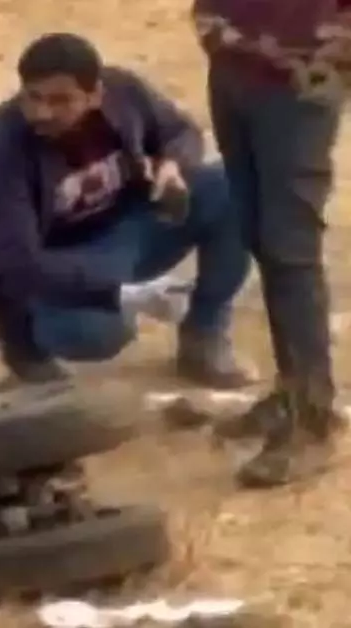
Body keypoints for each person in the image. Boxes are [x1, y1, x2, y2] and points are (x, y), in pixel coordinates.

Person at [0, 34, 256, 390]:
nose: (41, 113)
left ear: (95, 95)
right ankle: (28, 355)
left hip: (128, 229)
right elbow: (16, 264)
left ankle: (204, 335)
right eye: (33, 97)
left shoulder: (124, 93)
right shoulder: (0, 146)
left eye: (60, 100)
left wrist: (173, 165)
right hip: (60, 263)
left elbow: (180, 132)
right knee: (98, 333)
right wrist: (122, 292)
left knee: (234, 187)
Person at [193, 1, 347, 487]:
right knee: (259, 232)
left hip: (300, 74)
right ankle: (293, 391)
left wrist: (337, 54)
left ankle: (312, 419)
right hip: (236, 60)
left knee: (288, 245)